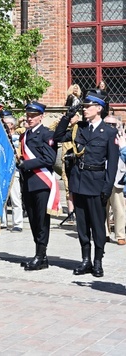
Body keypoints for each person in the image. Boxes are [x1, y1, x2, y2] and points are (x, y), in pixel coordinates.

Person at [54, 91, 118, 277]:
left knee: (98, 226)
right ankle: (85, 260)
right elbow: (57, 137)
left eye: (88, 107)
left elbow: (112, 165)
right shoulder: (79, 128)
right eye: (83, 107)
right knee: (82, 226)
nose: (84, 110)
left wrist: (107, 188)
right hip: (79, 182)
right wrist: (67, 116)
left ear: (99, 108)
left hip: (97, 183)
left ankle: (97, 261)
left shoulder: (109, 132)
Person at [17, 101, 59, 271]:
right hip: (28, 183)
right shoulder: (24, 135)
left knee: (41, 221)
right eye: (28, 115)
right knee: (33, 220)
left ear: (41, 116)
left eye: (33, 116)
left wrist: (27, 164)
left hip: (41, 183)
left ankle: (40, 255)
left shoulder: (46, 134)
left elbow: (49, 159)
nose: (29, 118)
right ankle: (40, 255)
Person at [104, 115, 126, 245]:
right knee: (102, 209)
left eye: (113, 125)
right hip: (102, 178)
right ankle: (104, 233)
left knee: (119, 209)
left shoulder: (122, 139)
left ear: (118, 126)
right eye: (107, 124)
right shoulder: (100, 137)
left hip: (118, 177)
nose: (110, 127)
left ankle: (120, 235)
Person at [2, 112, 24, 232]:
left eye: (6, 124)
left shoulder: (18, 138)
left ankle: (18, 223)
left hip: (13, 171)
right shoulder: (1, 137)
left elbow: (19, 155)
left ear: (11, 125)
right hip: (3, 171)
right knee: (3, 199)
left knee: (15, 198)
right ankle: (3, 221)